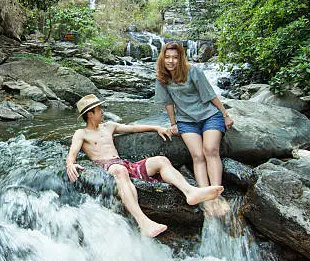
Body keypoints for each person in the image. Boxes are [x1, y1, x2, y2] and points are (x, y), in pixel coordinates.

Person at [65, 94, 224, 238]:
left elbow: (133, 128)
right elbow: (73, 152)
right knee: (120, 171)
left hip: (123, 163)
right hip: (106, 167)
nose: (102, 112)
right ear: (90, 114)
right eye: (99, 109)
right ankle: (143, 222)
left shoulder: (109, 126)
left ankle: (190, 192)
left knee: (161, 160)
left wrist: (156, 127)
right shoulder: (81, 133)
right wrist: (70, 164)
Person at [155, 42, 234, 216]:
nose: (171, 61)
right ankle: (205, 196)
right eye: (168, 57)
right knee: (197, 156)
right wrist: (173, 123)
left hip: (209, 116)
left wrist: (225, 115)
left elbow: (210, 94)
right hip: (186, 121)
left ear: (181, 58)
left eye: (175, 57)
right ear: (162, 57)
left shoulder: (193, 72)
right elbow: (168, 103)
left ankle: (216, 194)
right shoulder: (162, 78)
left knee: (210, 150)